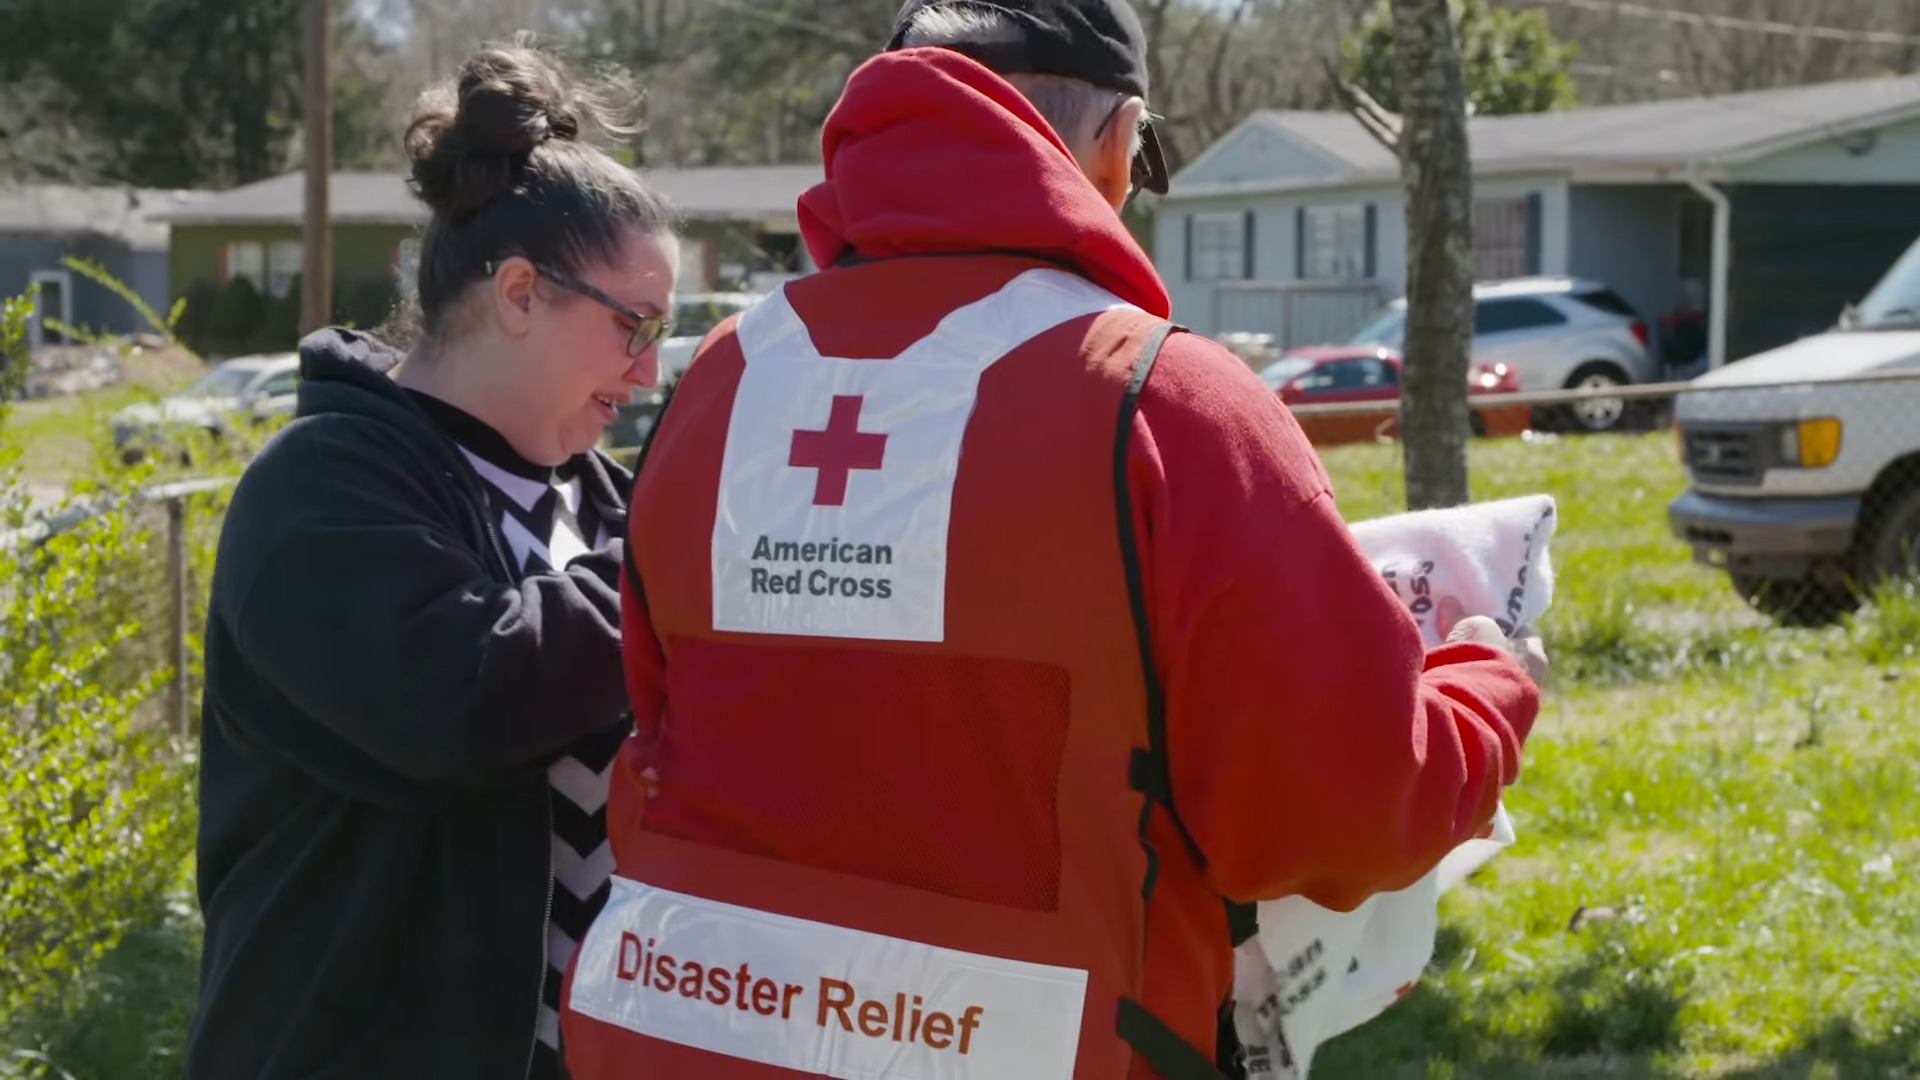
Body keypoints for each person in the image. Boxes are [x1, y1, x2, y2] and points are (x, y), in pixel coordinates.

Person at [561, 1, 1545, 1077]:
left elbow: (664, 714)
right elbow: (1339, 817)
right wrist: (1488, 686)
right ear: (1118, 143)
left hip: (688, 1027)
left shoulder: (720, 380)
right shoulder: (1166, 402)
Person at [185, 42, 677, 1079]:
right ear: (517, 292)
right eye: (634, 325)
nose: (647, 371)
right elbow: (461, 703)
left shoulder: (597, 502)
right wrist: (681, 565)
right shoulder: (318, 487)